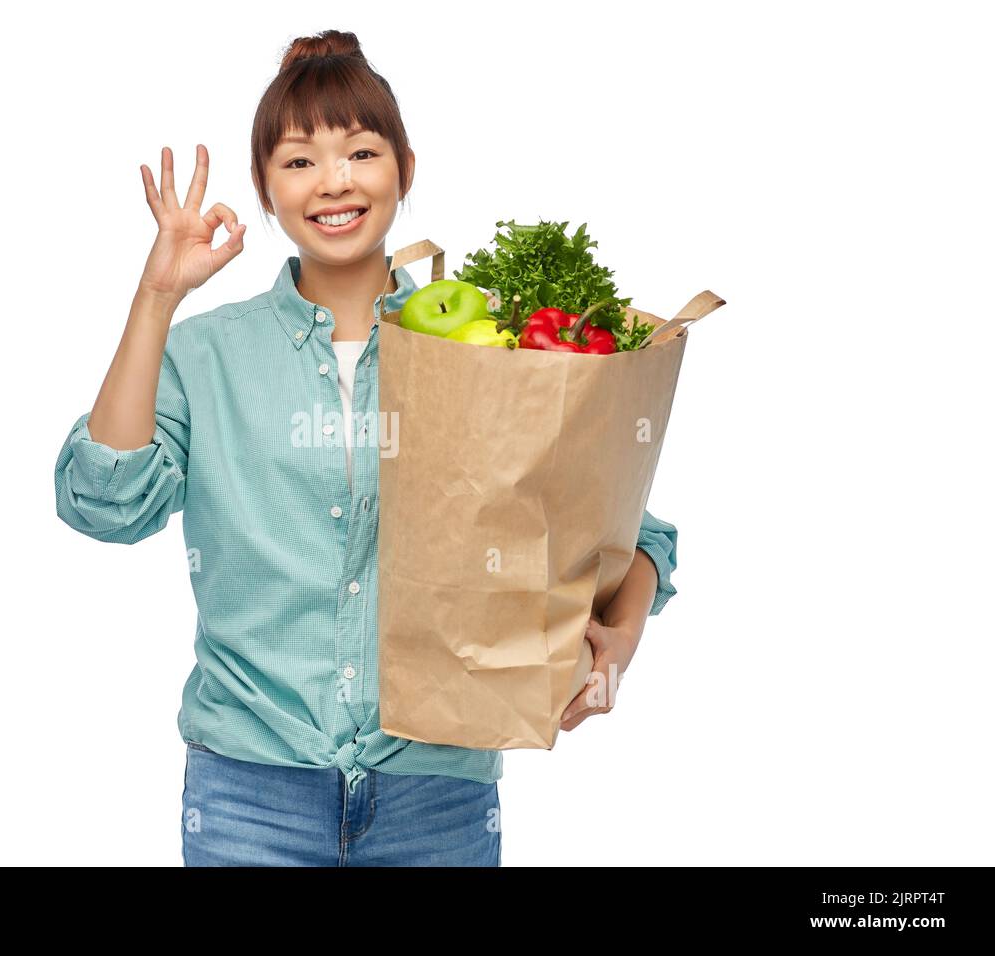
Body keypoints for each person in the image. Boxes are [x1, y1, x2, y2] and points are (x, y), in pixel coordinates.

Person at [52, 29, 679, 867]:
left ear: (404, 170)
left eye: (360, 151)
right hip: (248, 794)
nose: (334, 182)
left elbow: (624, 528)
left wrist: (624, 634)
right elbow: (105, 502)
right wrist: (156, 297)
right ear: (265, 191)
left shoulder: (487, 352)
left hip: (438, 792)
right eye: (299, 161)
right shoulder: (207, 356)